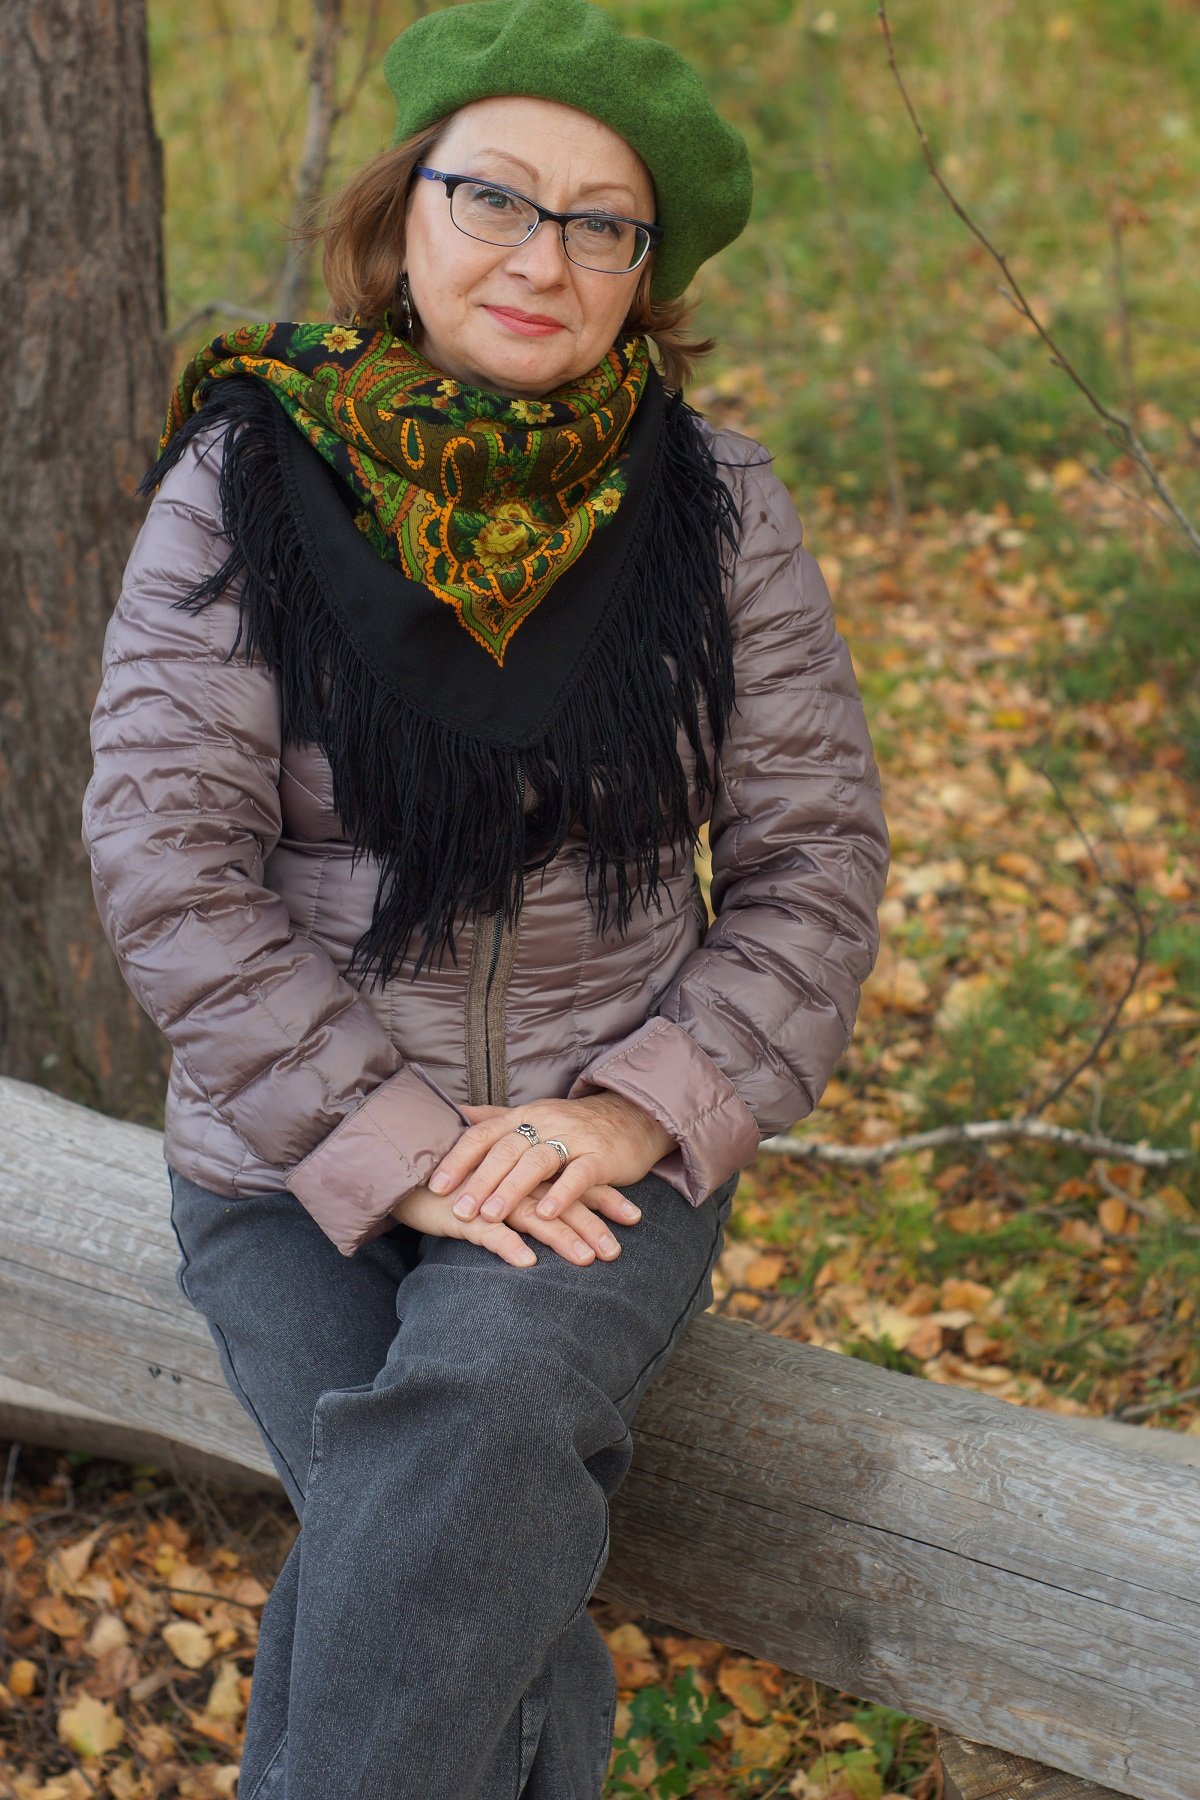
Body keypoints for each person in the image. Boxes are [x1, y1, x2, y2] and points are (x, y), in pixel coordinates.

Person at [82, 0, 889, 1793]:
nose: (543, 258)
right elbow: (170, 859)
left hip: (598, 1155)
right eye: (497, 198)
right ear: (403, 212)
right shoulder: (245, 480)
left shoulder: (717, 510)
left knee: (483, 1416)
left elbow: (815, 863)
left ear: (644, 275)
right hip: (287, 1160)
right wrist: (397, 1144)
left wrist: (629, 1112)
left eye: (603, 225)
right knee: (464, 1550)